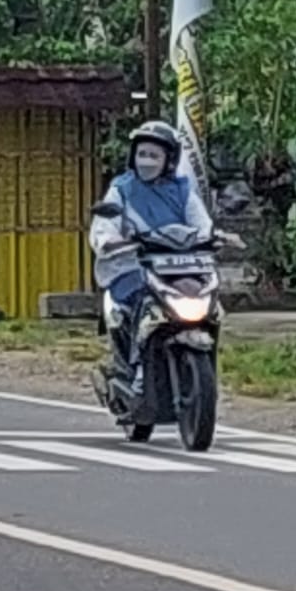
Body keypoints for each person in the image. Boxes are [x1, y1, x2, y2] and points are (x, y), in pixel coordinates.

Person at [90, 119, 216, 395]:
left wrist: (212, 237)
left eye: (154, 155)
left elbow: (202, 224)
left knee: (211, 304)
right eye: (142, 154)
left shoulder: (183, 190)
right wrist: (109, 241)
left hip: (179, 265)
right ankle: (137, 370)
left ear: (169, 160)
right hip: (130, 265)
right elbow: (103, 226)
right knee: (141, 302)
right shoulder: (121, 188)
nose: (147, 161)